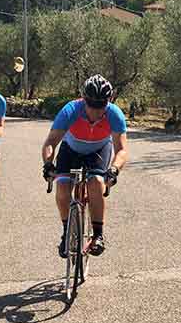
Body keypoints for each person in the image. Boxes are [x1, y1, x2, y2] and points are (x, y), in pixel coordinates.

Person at [40, 74, 128, 258]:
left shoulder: (114, 114)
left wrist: (114, 170)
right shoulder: (70, 110)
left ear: (108, 101)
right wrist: (48, 164)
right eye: (91, 106)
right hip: (71, 149)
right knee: (62, 186)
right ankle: (66, 232)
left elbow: (121, 150)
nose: (95, 111)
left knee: (96, 181)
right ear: (84, 100)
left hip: (99, 149)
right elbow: (51, 142)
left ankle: (98, 235)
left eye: (100, 106)